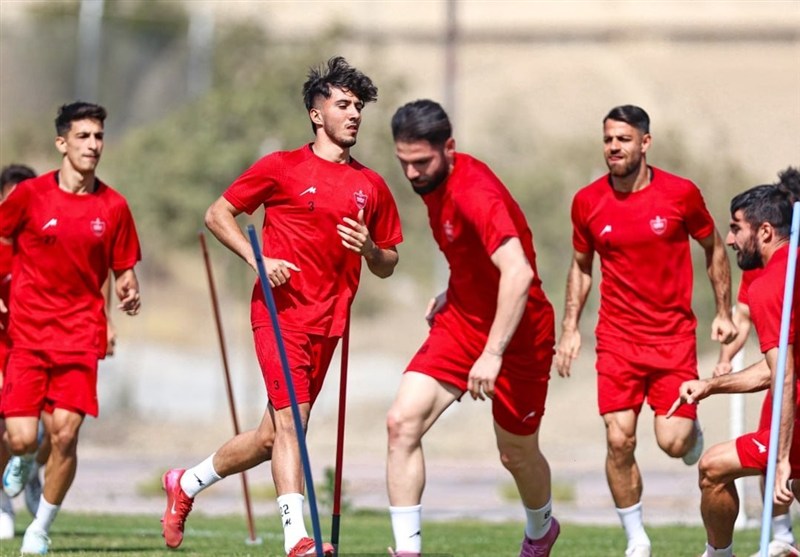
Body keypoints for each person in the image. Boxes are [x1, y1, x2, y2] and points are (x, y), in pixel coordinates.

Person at [160, 56, 403, 557]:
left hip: (329, 322)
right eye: (343, 105)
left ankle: (186, 482)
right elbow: (217, 214)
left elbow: (389, 263)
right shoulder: (281, 167)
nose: (354, 114)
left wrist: (370, 250)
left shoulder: (371, 186)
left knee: (272, 436)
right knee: (293, 424)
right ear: (316, 114)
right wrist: (258, 259)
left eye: (358, 106)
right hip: (279, 315)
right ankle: (298, 540)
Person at [554, 104, 736, 557]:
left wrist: (723, 311)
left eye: (623, 139)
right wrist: (570, 327)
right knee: (619, 439)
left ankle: (690, 433)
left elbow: (714, 246)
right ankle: (636, 537)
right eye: (608, 139)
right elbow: (581, 267)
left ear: (645, 143)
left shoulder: (680, 194)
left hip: (673, 338)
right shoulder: (587, 201)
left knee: (672, 442)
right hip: (617, 340)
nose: (614, 147)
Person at [386, 99, 559, 557]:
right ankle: (407, 551)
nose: (411, 174)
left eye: (421, 162)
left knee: (515, 453)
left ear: (449, 149)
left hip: (520, 334)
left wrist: (493, 352)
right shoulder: (434, 184)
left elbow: (518, 273)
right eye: (403, 162)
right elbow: (473, 253)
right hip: (462, 322)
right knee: (401, 423)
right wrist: (456, 288)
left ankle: (541, 531)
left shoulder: (474, 193)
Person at [0, 102, 142, 555]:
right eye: (83, 136)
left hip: (81, 336)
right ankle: (22, 461)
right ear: (62, 143)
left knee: (65, 434)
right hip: (28, 335)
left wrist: (128, 289)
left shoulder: (114, 206)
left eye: (98, 136)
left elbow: (123, 267)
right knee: (23, 437)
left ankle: (39, 528)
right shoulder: (29, 195)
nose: (93, 145)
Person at [668, 180, 799, 557]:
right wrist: (710, 385)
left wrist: (781, 458)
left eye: (736, 227)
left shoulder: (770, 284)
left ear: (765, 231)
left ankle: (719, 555)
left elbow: (783, 374)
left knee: (712, 466)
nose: (729, 239)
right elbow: (773, 369)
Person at [0, 164, 38, 540]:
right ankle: (2, 501)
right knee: (4, 428)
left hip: (43, 342)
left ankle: (30, 467)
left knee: (51, 431)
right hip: (5, 347)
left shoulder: (47, 240)